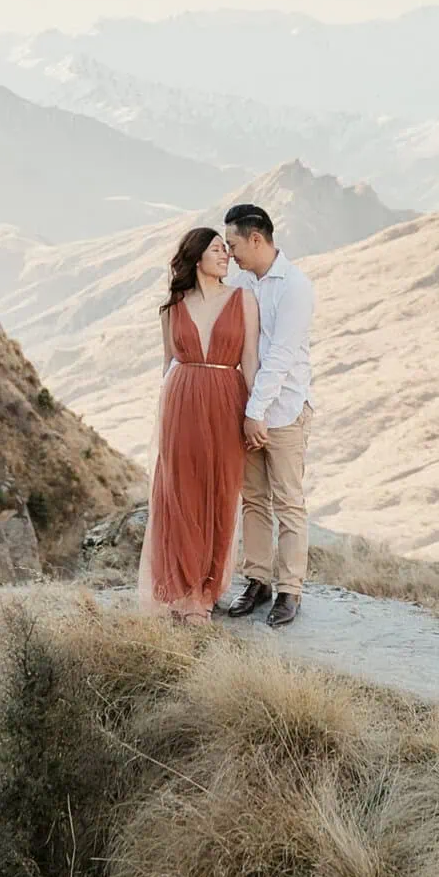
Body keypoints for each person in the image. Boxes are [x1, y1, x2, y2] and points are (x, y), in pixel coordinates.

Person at [138, 226, 260, 623]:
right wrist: (162, 417)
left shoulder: (244, 300)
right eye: (216, 249)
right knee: (181, 493)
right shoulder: (173, 306)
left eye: (227, 249)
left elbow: (251, 362)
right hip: (182, 403)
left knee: (221, 492)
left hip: (227, 399)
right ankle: (184, 592)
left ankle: (207, 589)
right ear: (196, 257)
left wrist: (255, 414)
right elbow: (167, 364)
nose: (226, 255)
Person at [220, 203, 316, 628]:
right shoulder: (242, 284)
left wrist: (256, 412)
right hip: (248, 411)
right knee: (253, 498)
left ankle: (290, 590)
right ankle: (257, 581)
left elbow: (280, 356)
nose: (230, 252)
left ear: (256, 238)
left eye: (234, 244)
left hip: (283, 411)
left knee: (289, 502)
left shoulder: (295, 287)